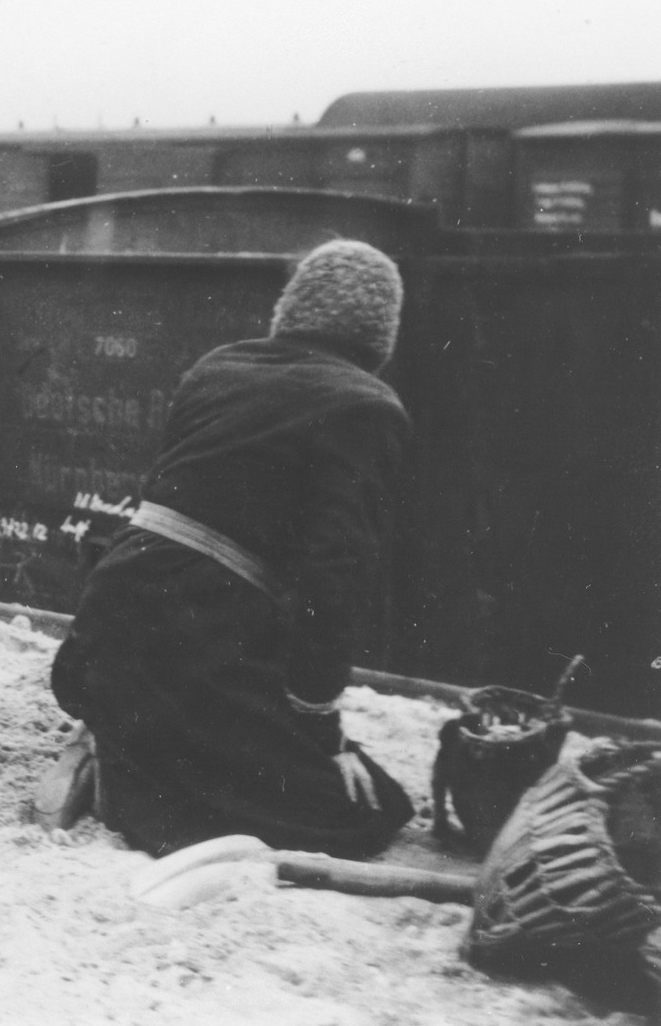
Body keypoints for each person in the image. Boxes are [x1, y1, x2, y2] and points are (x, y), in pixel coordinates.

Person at [49, 239, 416, 859]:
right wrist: (323, 730)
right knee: (367, 812)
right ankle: (128, 781)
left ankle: (122, 746)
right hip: (192, 642)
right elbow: (336, 580)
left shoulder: (218, 366)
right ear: (379, 336)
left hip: (103, 632)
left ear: (291, 309)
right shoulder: (367, 407)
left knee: (201, 744)